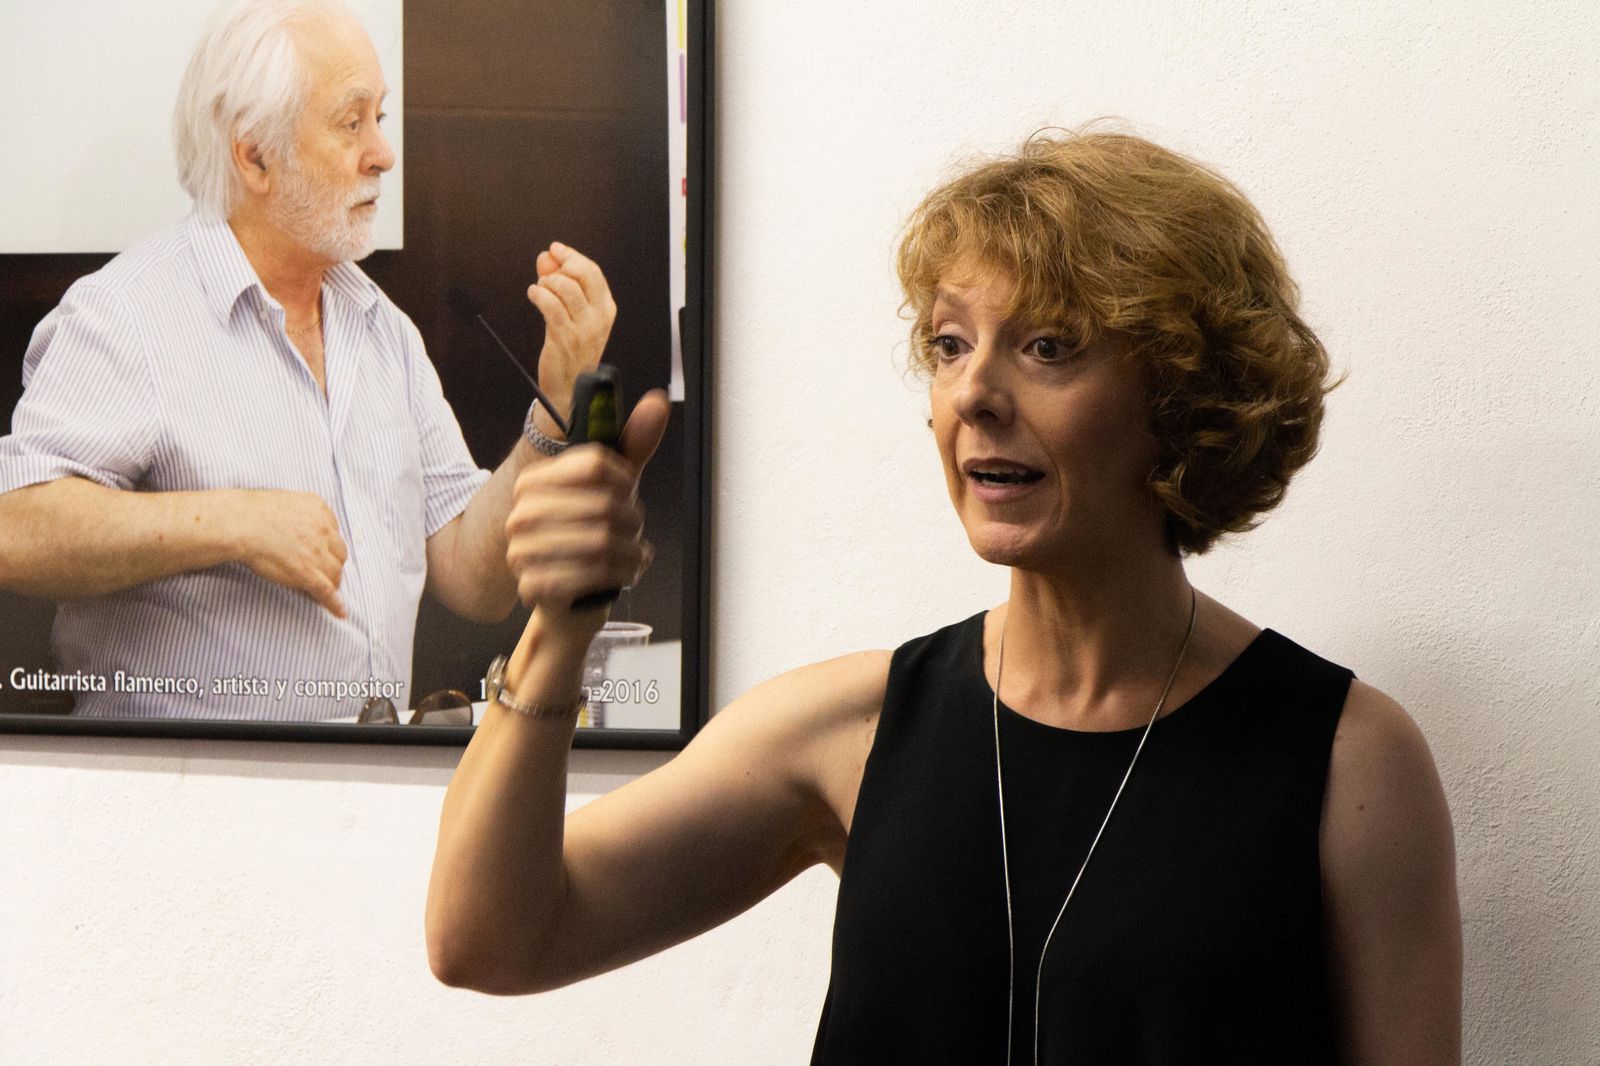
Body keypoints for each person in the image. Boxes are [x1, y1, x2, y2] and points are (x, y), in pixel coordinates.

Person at [425, 127, 1462, 1064]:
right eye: (950, 344)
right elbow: (488, 938)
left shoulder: (1344, 759)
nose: (973, 394)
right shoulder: (850, 727)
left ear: (1183, 396)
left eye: (1048, 346)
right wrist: (559, 631)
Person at [0, 0, 617, 719]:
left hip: (362, 793)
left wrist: (553, 410)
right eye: (351, 121)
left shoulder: (383, 330)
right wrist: (237, 523)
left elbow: (472, 579)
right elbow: (18, 528)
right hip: (184, 805)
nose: (383, 153)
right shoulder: (127, 313)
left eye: (379, 119)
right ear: (255, 155)